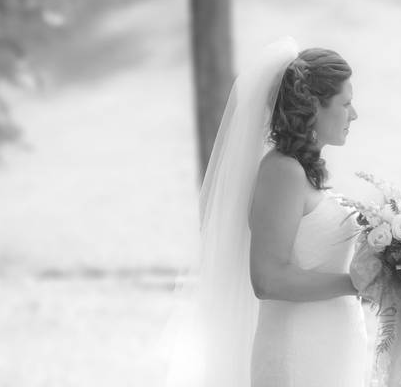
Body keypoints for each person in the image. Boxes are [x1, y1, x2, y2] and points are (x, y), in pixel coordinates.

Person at [160, 38, 378, 387]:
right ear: (314, 108)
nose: (354, 114)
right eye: (345, 103)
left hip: (330, 344)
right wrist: (356, 283)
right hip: (298, 351)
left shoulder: (303, 171)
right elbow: (268, 279)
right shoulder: (282, 172)